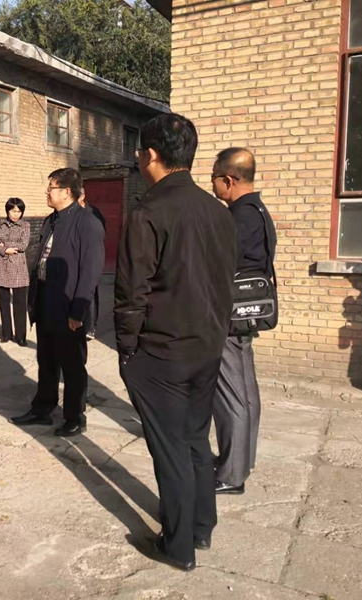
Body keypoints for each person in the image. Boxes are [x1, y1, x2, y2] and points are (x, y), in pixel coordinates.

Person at [114, 113, 236, 571]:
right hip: (206, 347)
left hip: (162, 352)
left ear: (150, 155)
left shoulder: (148, 212)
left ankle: (178, 545)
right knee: (195, 440)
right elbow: (225, 281)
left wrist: (127, 349)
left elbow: (131, 292)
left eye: (139, 152)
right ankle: (202, 526)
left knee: (171, 450)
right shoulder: (218, 212)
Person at [10, 168, 105, 437]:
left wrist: (78, 311)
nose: (47, 192)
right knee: (47, 360)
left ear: (66, 192)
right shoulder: (51, 220)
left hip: (68, 306)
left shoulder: (87, 223)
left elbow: (90, 271)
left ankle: (75, 416)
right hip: (45, 301)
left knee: (72, 365)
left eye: (51, 187)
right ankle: (42, 408)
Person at [210, 148, 276, 495]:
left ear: (228, 180)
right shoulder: (259, 211)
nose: (212, 187)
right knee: (246, 393)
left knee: (231, 396)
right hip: (246, 316)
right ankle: (241, 461)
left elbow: (219, 266)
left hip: (229, 318)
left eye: (214, 179)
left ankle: (231, 475)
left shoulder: (237, 217)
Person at [0, 198, 30, 346]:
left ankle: (21, 336)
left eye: (19, 211)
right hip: (1, 265)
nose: (16, 214)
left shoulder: (25, 225)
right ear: (7, 210)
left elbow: (23, 245)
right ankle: (6, 333)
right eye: (13, 211)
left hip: (18, 267)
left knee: (20, 303)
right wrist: (5, 250)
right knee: (4, 302)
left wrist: (4, 244)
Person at [78, 188, 106, 338]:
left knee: (90, 292)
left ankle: (90, 327)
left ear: (82, 196)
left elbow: (101, 234)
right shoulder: (72, 213)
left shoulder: (94, 213)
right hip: (76, 258)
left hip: (90, 256)